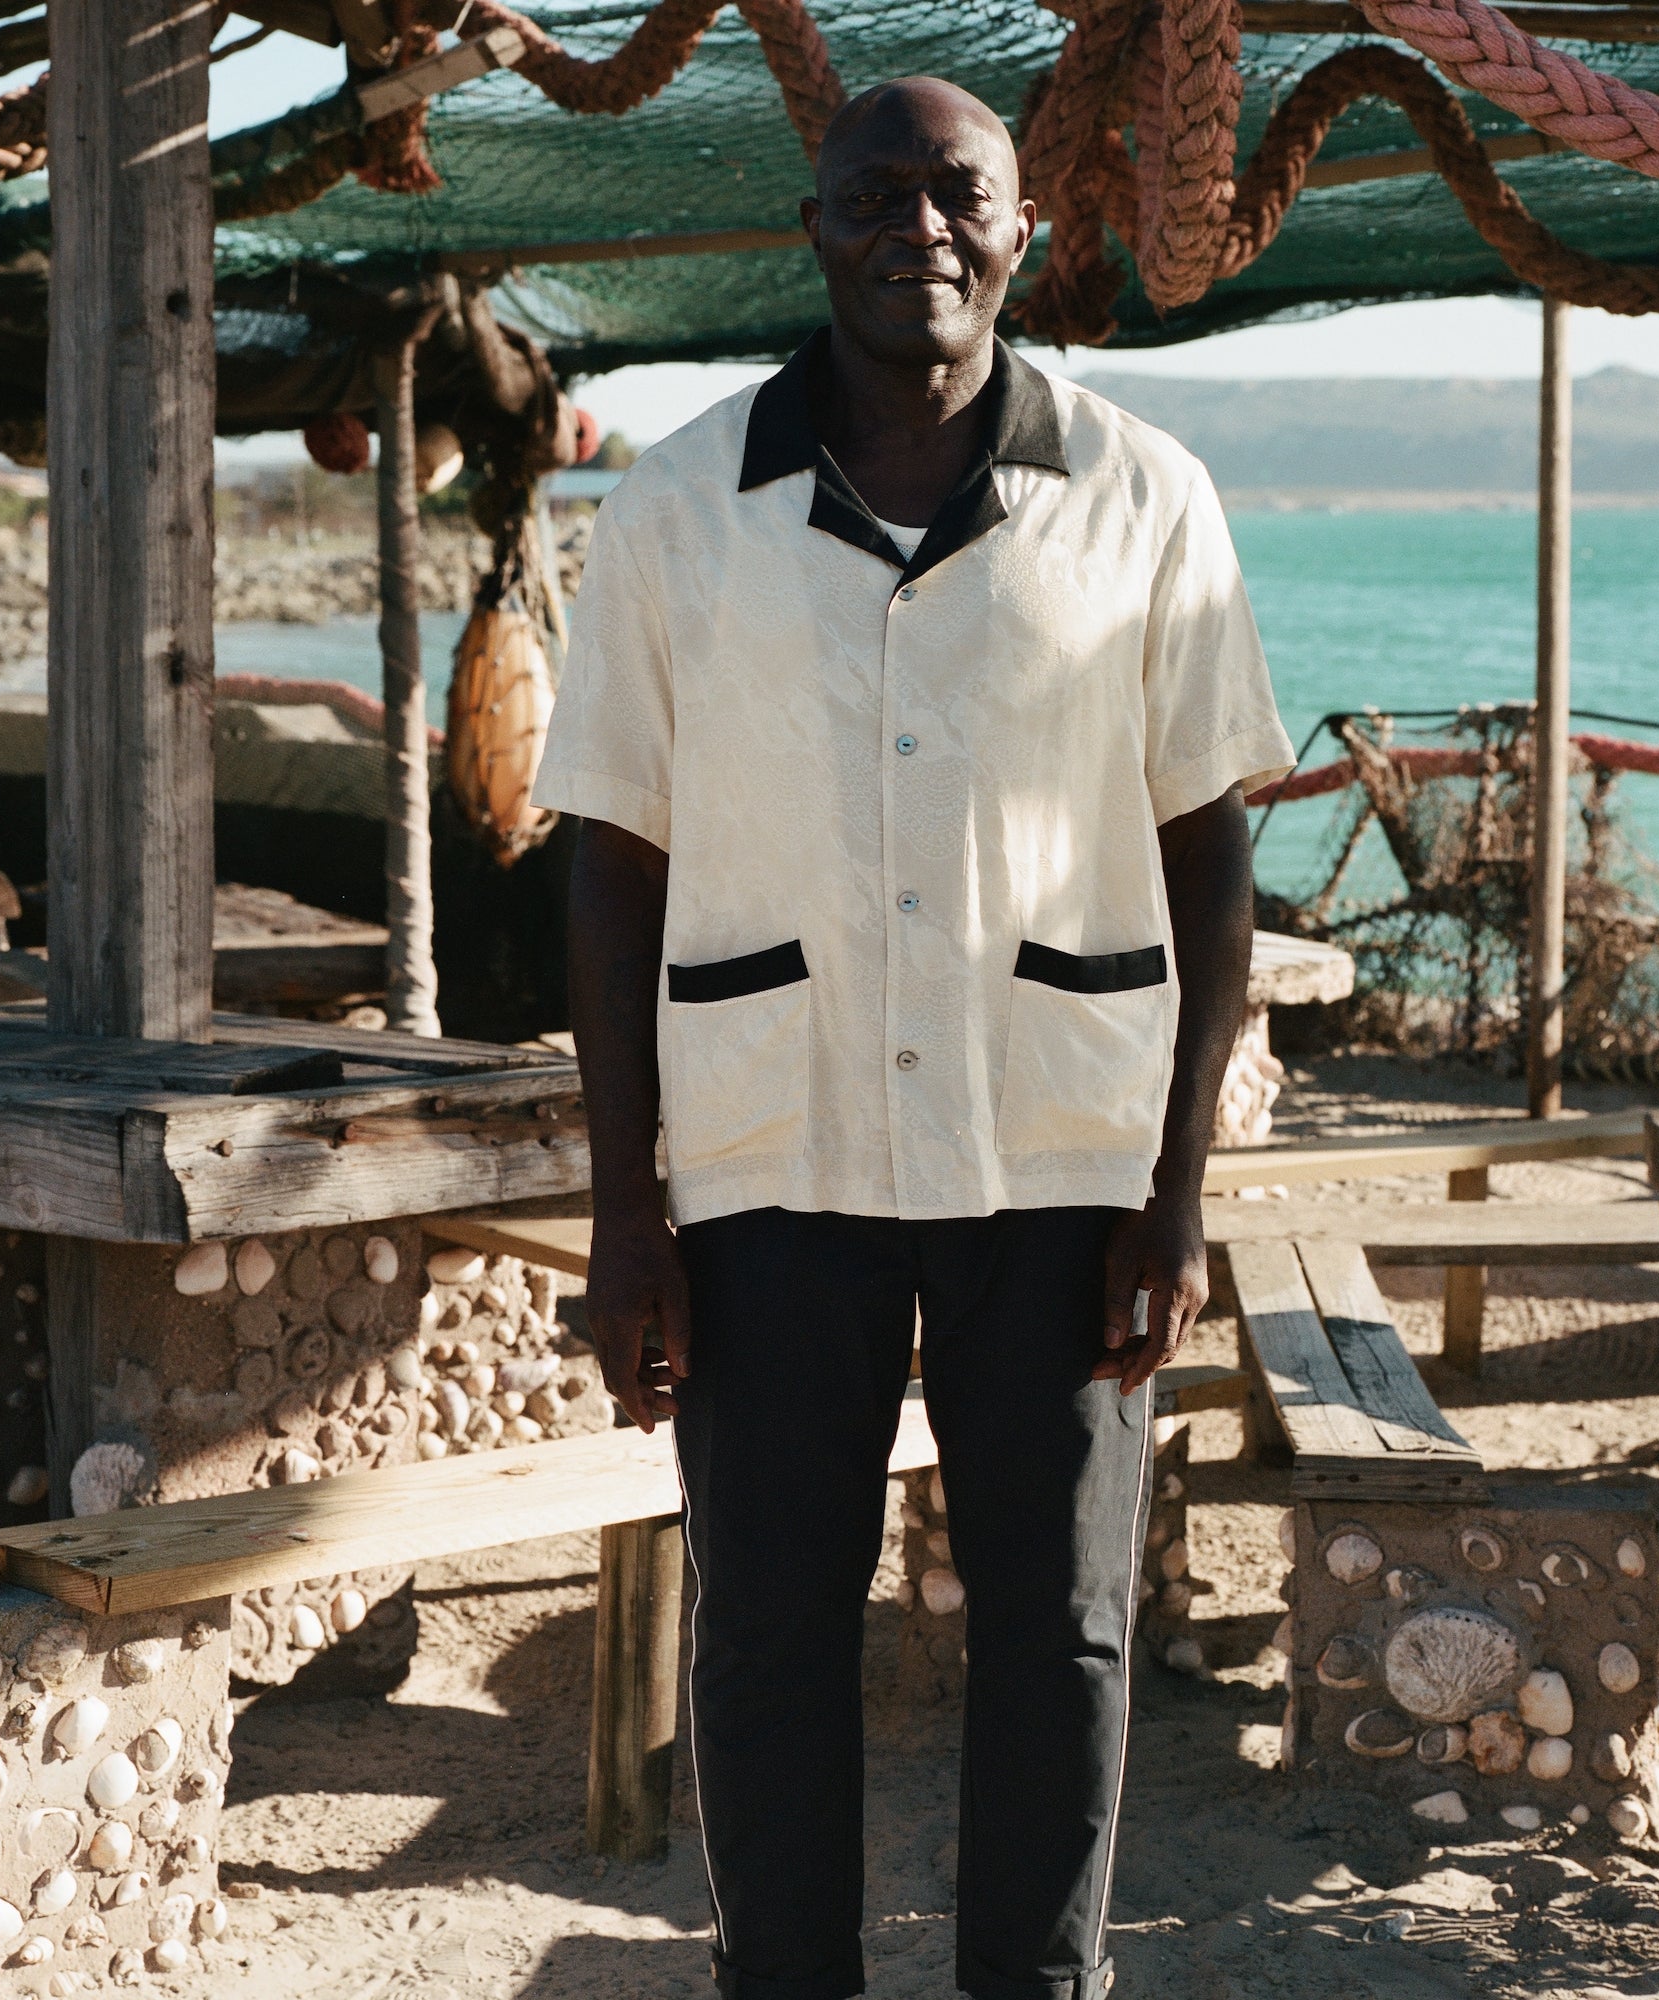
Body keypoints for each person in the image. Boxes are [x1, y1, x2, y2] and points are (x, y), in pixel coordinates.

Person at [533, 73, 1294, 2000]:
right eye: (874, 194)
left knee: (1063, 1629)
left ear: (1022, 232)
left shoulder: (1145, 499)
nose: (919, 228)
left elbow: (1214, 868)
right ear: (813, 230)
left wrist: (1179, 1195)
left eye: (959, 194)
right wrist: (629, 1221)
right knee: (774, 1625)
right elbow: (610, 873)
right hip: (768, 1163)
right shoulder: (680, 507)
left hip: (1062, 1161)